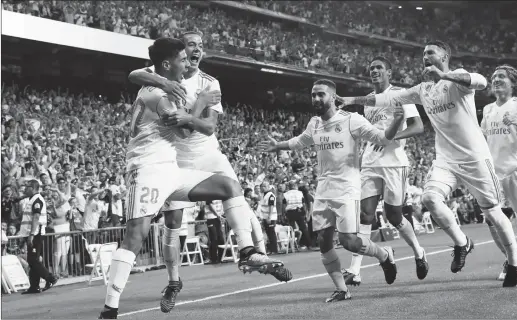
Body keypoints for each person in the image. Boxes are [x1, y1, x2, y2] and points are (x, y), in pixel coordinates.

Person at [99, 38, 286, 319]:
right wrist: (198, 103)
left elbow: (197, 127)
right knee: (135, 238)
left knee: (229, 185)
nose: (187, 63)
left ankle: (247, 251)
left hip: (172, 169)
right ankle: (110, 308)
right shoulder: (155, 93)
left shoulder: (176, 84)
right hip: (147, 170)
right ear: (167, 64)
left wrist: (195, 103)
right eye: (183, 59)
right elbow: (183, 131)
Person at [337, 40, 517, 287]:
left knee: (492, 213)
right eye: (423, 53)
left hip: (475, 159)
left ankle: (514, 260)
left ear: (445, 55)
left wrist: (446, 75)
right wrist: (350, 99)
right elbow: (385, 99)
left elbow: (481, 81)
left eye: (430, 52)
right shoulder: (422, 89)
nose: (425, 56)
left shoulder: (456, 80)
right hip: (445, 161)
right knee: (429, 199)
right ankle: (461, 243)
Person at [260, 79, 403, 302]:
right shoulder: (314, 123)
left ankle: (384, 255)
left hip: (347, 188)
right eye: (313, 94)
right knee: (324, 242)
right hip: (323, 189)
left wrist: (398, 120)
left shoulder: (351, 120)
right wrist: (277, 145)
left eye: (321, 95)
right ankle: (342, 290)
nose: (316, 99)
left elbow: (382, 138)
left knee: (349, 241)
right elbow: (301, 141)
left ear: (333, 97)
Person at [341, 57, 428, 288]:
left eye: (379, 67)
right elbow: (366, 133)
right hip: (370, 163)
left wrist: (390, 137)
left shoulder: (401, 94)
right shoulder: (369, 101)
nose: (374, 71)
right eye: (371, 68)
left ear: (389, 71)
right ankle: (355, 270)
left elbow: (418, 126)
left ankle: (419, 252)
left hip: (394, 163)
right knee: (365, 215)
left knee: (394, 216)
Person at [480, 64, 517, 281]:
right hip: (493, 173)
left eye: (501, 76)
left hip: (515, 169)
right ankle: (512, 259)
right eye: (494, 76)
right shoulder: (488, 109)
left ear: (514, 83)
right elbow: (482, 138)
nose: (496, 79)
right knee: (492, 220)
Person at [21, 179, 58, 294]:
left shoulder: (37, 199)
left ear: (32, 188)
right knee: (33, 260)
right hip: (32, 233)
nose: (25, 189)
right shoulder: (32, 199)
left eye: (27, 187)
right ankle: (34, 286)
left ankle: (50, 278)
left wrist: (31, 234)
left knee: (32, 259)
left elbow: (36, 218)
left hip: (35, 233)